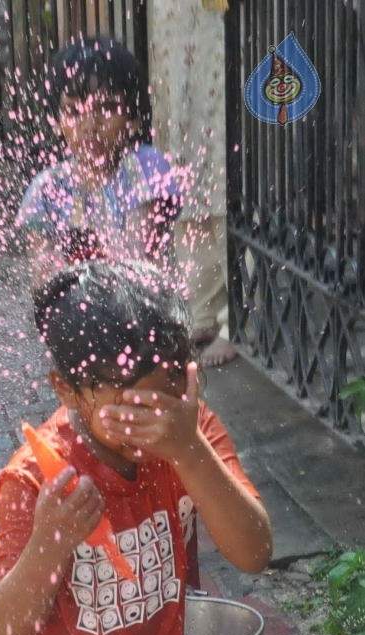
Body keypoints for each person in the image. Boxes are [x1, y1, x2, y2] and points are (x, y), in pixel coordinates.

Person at [0, 260, 272, 635]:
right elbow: (4, 630)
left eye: (168, 389)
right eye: (126, 408)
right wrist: (50, 542)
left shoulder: (186, 432)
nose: (151, 421)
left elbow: (254, 552)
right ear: (67, 390)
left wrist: (190, 450)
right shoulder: (37, 481)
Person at [15, 37, 182, 292]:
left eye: (107, 108)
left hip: (142, 308)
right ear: (57, 123)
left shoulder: (145, 168)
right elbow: (44, 278)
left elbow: (136, 259)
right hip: (73, 313)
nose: (90, 125)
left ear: (134, 119)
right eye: (73, 112)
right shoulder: (46, 189)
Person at [150, 0, 236, 367]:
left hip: (220, 21)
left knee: (223, 151)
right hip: (174, 16)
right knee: (181, 143)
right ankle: (203, 308)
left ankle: (238, 320)